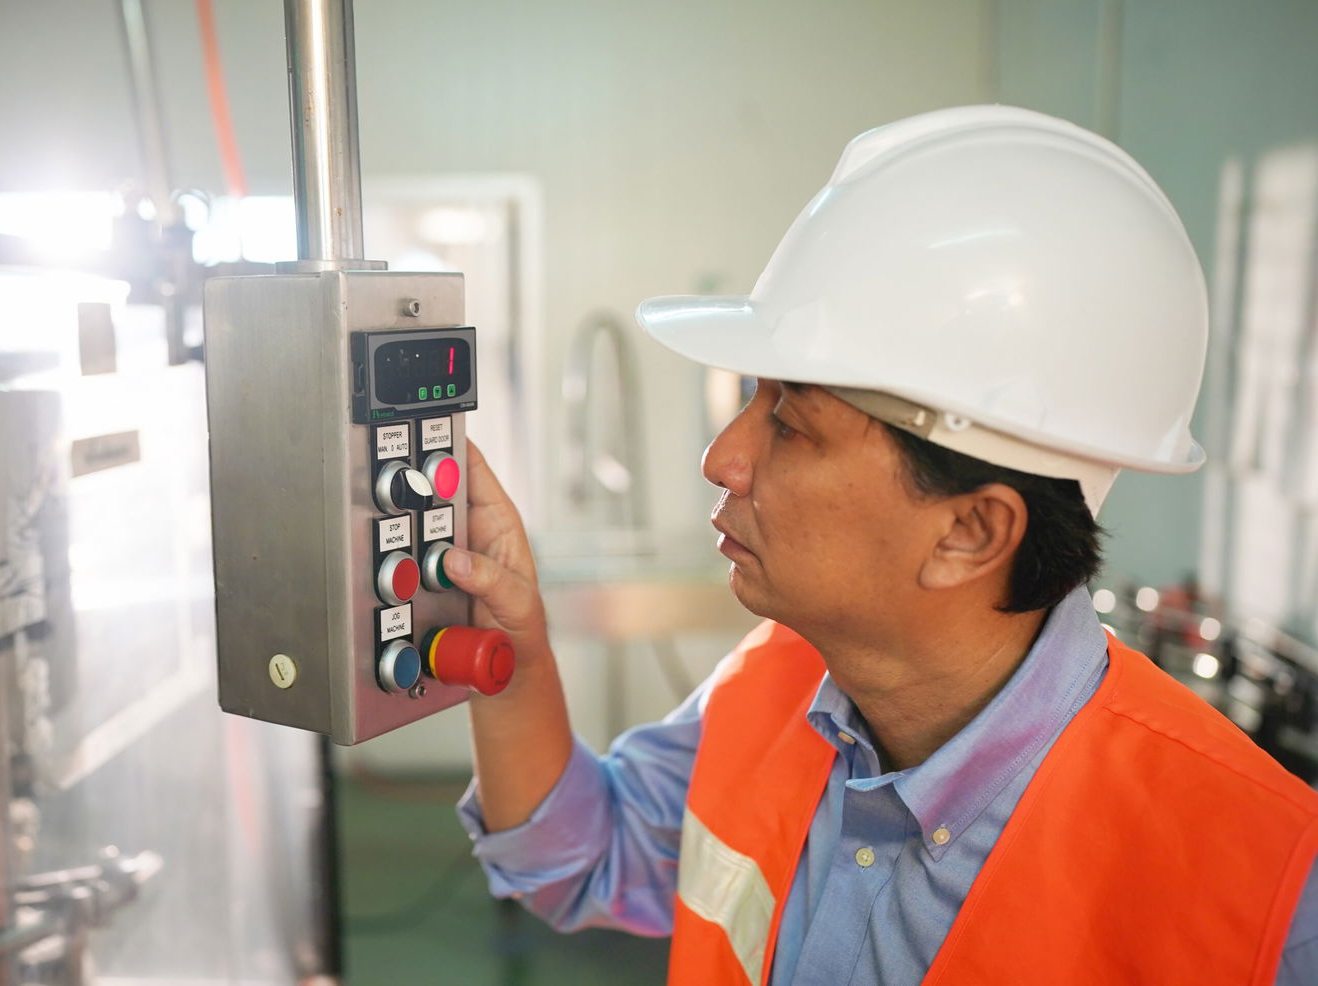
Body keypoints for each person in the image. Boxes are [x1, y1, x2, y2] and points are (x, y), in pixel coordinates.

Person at [435, 106, 1318, 985]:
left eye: (790, 423)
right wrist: (511, 639)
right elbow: (585, 858)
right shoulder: (773, 687)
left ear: (969, 532)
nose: (722, 458)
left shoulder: (1268, 893)